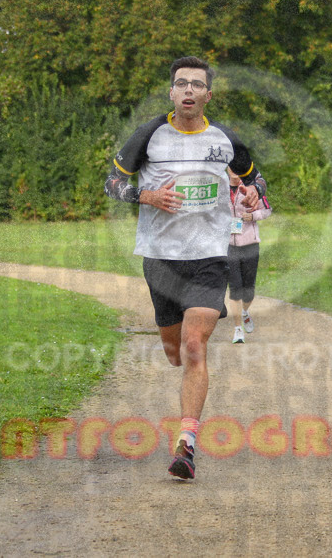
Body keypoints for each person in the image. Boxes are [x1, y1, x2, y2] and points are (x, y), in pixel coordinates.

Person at [105, 56, 266, 480]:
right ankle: (184, 408)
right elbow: (113, 182)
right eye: (182, 84)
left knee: (195, 345)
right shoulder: (149, 136)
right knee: (175, 351)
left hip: (211, 258)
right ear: (171, 93)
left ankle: (186, 444)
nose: (189, 90)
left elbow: (255, 179)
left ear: (208, 95)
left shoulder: (225, 139)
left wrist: (251, 194)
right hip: (160, 259)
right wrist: (146, 197)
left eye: (197, 84)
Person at [226, 167, 271, 344]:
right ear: (227, 169)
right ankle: (238, 329)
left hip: (250, 244)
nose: (235, 170)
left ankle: (245, 311)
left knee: (248, 291)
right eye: (231, 166)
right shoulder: (221, 188)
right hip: (229, 246)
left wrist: (252, 216)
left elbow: (267, 209)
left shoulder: (252, 188)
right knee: (235, 289)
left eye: (237, 166)